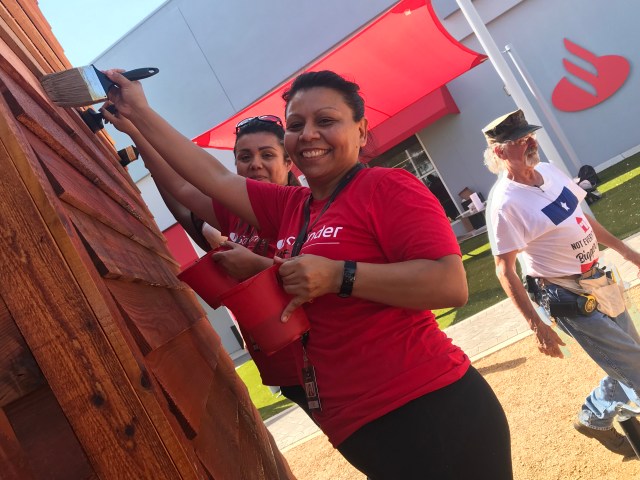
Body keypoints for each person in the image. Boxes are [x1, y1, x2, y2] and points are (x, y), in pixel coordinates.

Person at [105, 68, 513, 479]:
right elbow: (209, 178)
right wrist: (139, 114)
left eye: (326, 120)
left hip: (427, 404)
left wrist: (340, 275)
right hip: (352, 422)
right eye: (297, 125)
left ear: (360, 129)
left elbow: (448, 284)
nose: (309, 134)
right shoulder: (291, 206)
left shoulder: (388, 186)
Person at [102, 106, 310, 413]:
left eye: (267, 155)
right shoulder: (237, 213)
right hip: (280, 365)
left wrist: (256, 266)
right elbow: (183, 190)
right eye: (245, 157)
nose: (255, 165)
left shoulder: (304, 210)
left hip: (318, 360)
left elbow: (325, 278)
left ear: (288, 161)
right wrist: (136, 133)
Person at [483, 109, 640, 459]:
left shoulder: (549, 171)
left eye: (530, 135)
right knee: (636, 367)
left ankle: (593, 417)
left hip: (597, 280)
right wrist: (536, 326)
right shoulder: (504, 203)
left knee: (629, 356)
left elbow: (587, 221)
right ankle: (601, 417)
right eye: (519, 140)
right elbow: (504, 270)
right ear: (499, 152)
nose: (530, 142)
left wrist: (630, 255)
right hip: (564, 296)